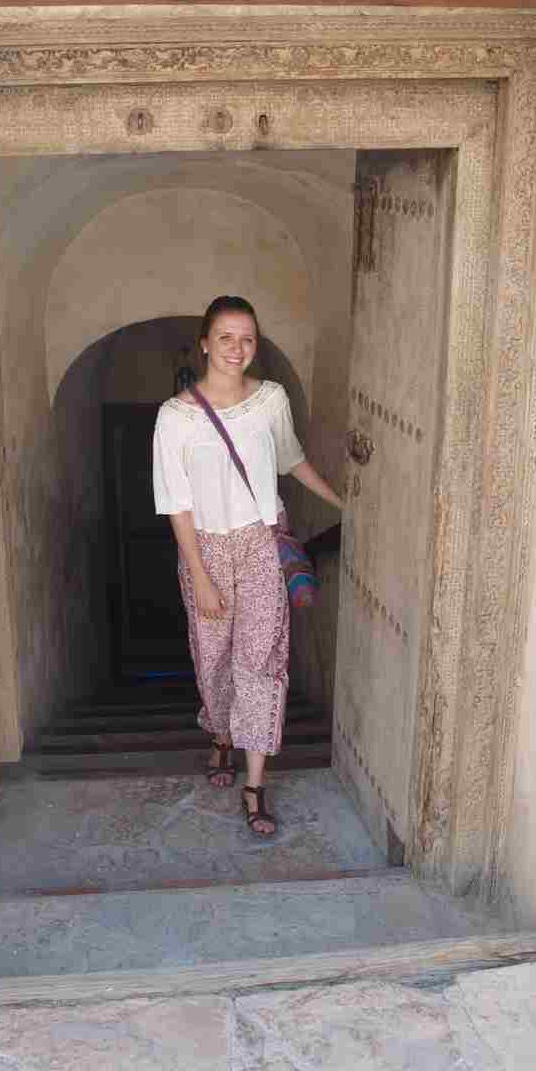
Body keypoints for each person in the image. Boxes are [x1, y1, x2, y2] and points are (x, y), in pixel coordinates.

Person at [152, 295, 343, 834]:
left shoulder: (271, 399)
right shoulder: (175, 417)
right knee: (214, 662)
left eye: (249, 338)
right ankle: (219, 733)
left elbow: (291, 459)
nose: (238, 348)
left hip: (260, 545)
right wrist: (201, 577)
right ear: (206, 342)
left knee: (260, 663)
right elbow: (176, 504)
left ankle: (255, 784)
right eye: (227, 337)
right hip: (205, 549)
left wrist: (342, 502)